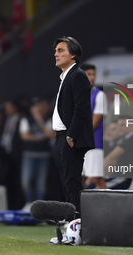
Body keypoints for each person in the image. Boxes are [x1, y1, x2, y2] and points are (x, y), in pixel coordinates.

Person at [52, 36, 94, 214]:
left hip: (69, 137)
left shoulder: (78, 75)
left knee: (72, 182)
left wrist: (71, 135)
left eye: (61, 50)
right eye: (56, 51)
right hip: (61, 137)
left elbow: (81, 108)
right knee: (66, 183)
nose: (56, 54)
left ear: (74, 55)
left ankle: (77, 226)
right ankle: (72, 225)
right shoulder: (66, 76)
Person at [20, 98, 55, 211]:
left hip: (43, 155)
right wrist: (39, 138)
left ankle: (40, 207)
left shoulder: (47, 120)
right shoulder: (26, 119)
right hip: (29, 155)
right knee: (26, 181)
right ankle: (29, 203)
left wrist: (40, 121)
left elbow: (50, 134)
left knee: (41, 183)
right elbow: (24, 136)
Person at [80, 63, 107, 189]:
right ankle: (78, 207)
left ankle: (108, 207)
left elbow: (94, 123)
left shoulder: (100, 95)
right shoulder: (75, 94)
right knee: (78, 178)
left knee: (97, 178)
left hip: (94, 143)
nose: (92, 77)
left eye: (94, 75)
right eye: (89, 74)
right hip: (79, 143)